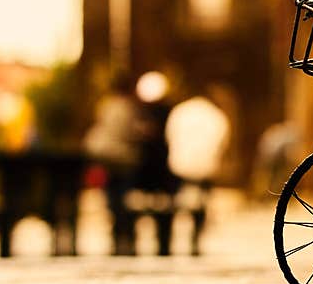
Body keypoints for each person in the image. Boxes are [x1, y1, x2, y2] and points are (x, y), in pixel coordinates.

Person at [165, 91, 230, 256]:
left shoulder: (180, 112)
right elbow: (222, 140)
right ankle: (195, 238)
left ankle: (171, 239)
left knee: (178, 202)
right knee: (201, 204)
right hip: (205, 164)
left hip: (180, 163)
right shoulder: (215, 116)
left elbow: (170, 135)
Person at [83, 70, 140, 255]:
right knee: (123, 195)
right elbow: (130, 132)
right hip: (123, 157)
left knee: (112, 195)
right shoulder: (128, 108)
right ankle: (124, 230)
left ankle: (116, 226)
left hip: (107, 157)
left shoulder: (106, 105)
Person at [134, 71, 179, 256]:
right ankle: (163, 245)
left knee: (158, 211)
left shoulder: (141, 113)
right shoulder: (169, 112)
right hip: (160, 171)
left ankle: (161, 244)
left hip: (155, 171)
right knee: (162, 212)